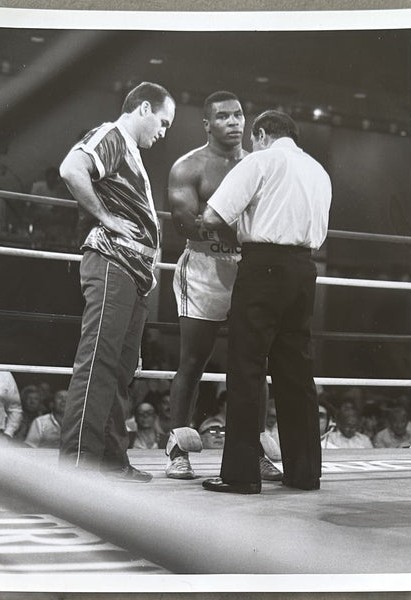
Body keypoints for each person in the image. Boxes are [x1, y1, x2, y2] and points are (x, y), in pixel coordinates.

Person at [200, 110, 332, 494]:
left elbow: (211, 216)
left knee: (246, 368)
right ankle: (304, 474)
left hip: (264, 268)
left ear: (260, 134)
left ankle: (240, 475)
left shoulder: (260, 160)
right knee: (296, 371)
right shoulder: (318, 171)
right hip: (304, 270)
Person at [58, 82, 176, 482]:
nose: (163, 132)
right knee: (98, 365)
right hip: (113, 263)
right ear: (143, 109)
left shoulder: (131, 151)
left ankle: (110, 461)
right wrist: (107, 219)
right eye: (162, 122)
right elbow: (71, 169)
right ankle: (78, 466)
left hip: (132, 273)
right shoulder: (113, 135)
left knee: (120, 372)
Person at [166, 91, 281, 483]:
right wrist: (245, 231)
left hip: (248, 269)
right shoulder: (189, 167)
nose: (234, 122)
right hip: (202, 267)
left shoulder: (259, 166)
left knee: (254, 364)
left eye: (238, 115)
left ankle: (254, 452)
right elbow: (186, 223)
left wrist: (224, 223)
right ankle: (178, 450)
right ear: (207, 124)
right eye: (223, 117)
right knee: (193, 359)